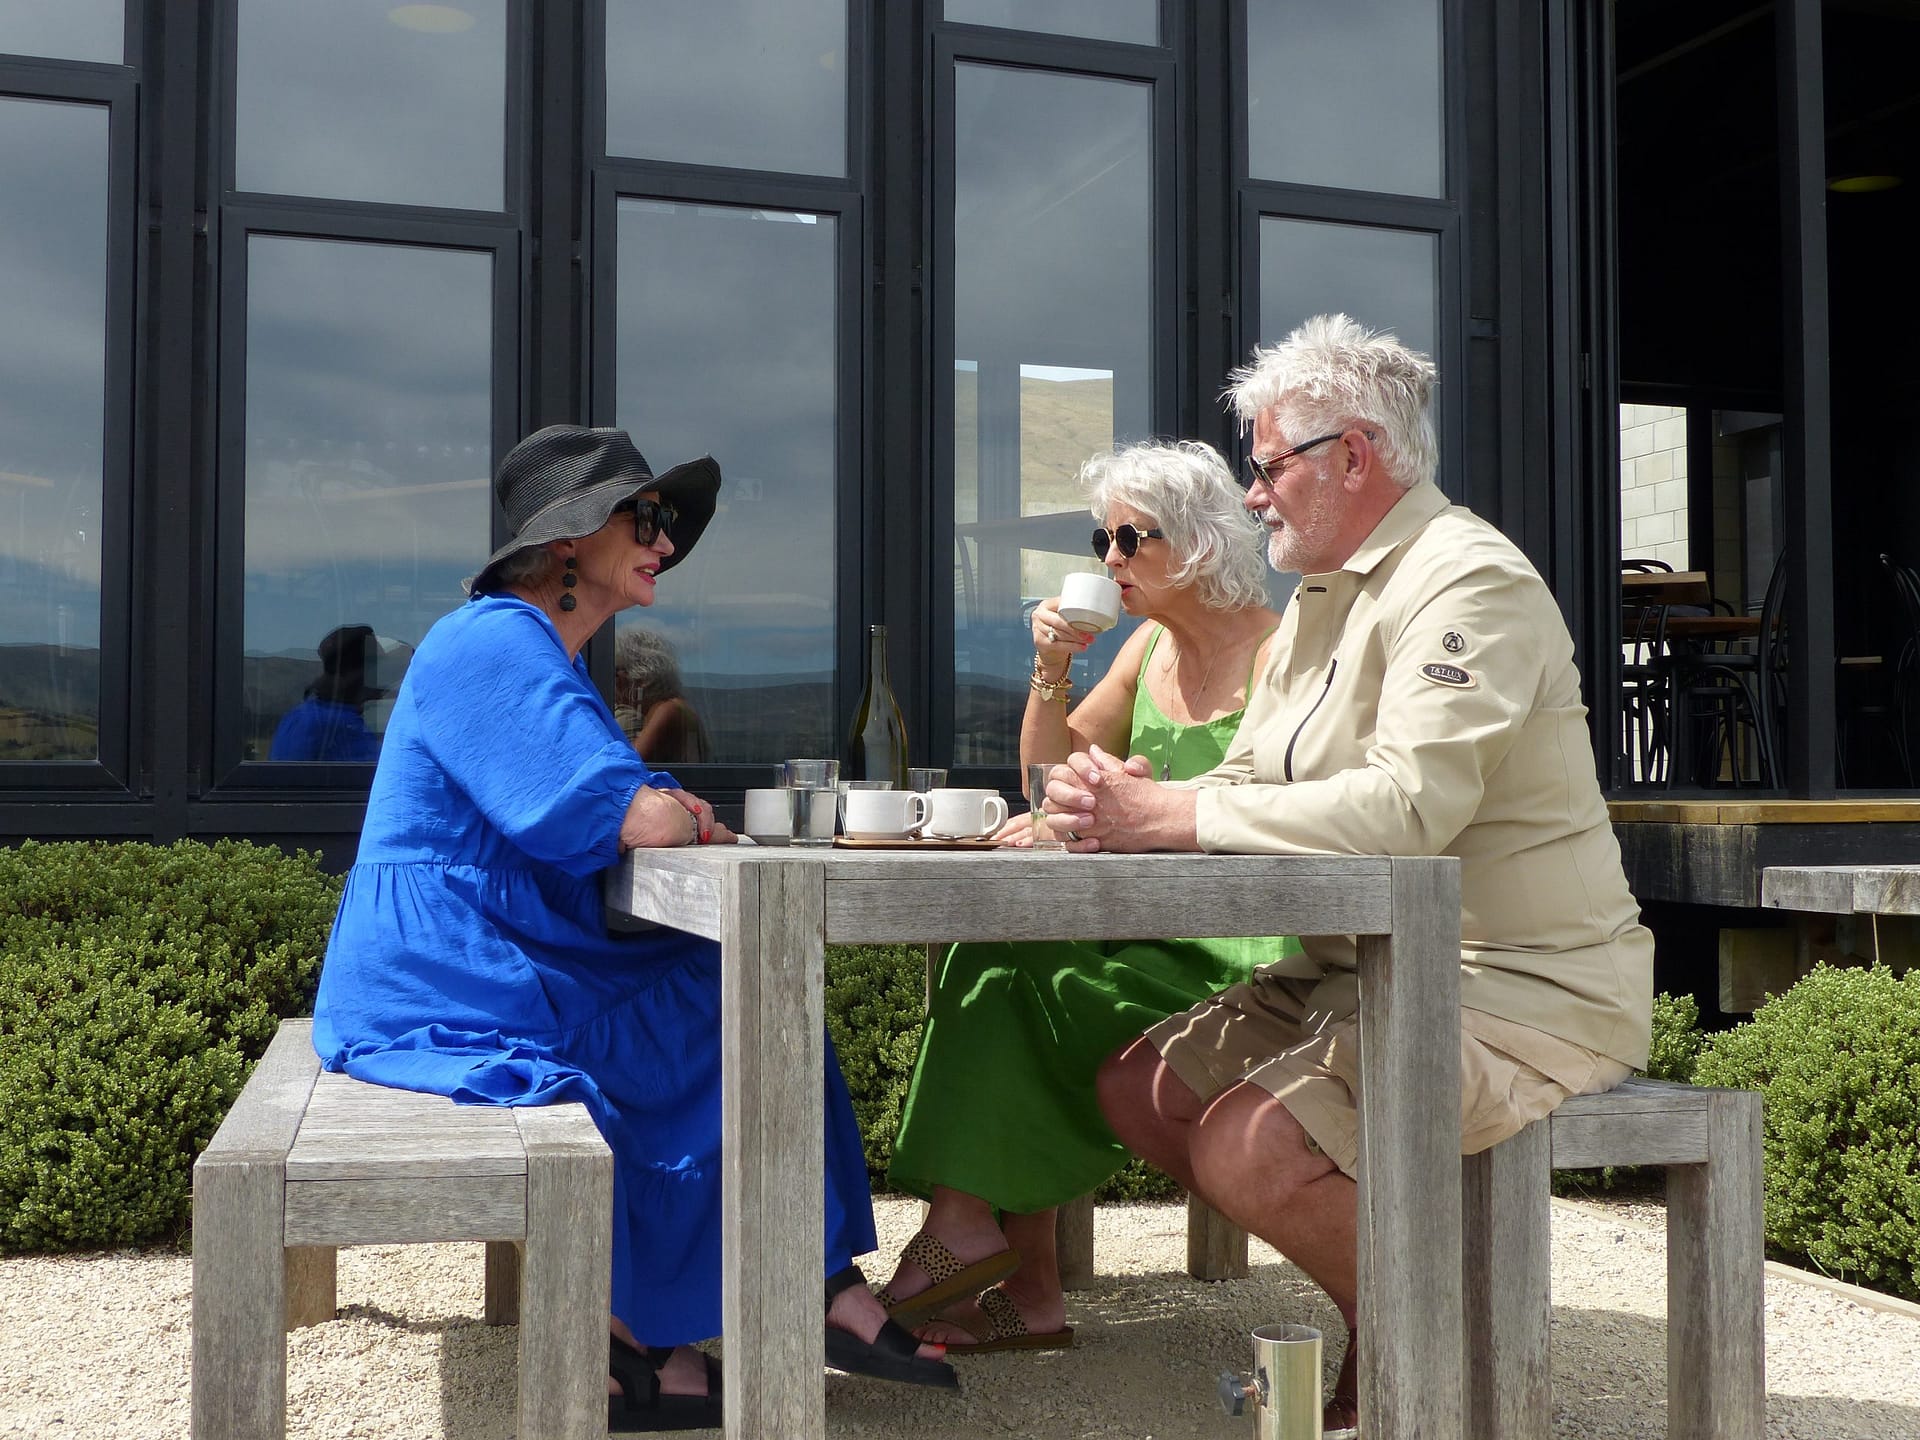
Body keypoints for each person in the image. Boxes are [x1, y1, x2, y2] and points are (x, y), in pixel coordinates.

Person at [1040, 316, 1654, 1433]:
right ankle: (1389, 1297)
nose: (1254, 495)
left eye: (1269, 466)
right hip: (1355, 968)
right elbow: (1245, 775)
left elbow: (1409, 808)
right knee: (1142, 1089)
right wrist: (1128, 801)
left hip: (1521, 985)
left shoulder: (1469, 581)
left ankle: (1430, 1337)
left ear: (1353, 456)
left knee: (1246, 1144)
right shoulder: (1321, 599)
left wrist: (1176, 814)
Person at [312, 425, 956, 1434]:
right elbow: (620, 812)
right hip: (448, 972)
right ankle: (732, 1302)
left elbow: (613, 798)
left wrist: (661, 806)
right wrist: (671, 811)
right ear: (569, 540)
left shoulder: (537, 650)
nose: (664, 541)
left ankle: (726, 1302)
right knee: (731, 997)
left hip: (498, 944)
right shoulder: (493, 640)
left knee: (732, 984)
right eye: (645, 519)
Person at [876, 439, 1305, 1354]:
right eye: (1100, 539)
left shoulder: (1284, 654)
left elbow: (1274, 811)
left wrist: (1108, 818)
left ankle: (980, 1244)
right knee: (997, 952)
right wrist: (1051, 669)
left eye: (1128, 538)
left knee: (1026, 979)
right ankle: (1011, 1271)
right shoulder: (1148, 648)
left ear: (1197, 542)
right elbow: (1048, 778)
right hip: (1140, 927)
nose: (1108, 558)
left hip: (1241, 950)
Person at [267, 624, 385, 762]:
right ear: (355, 675)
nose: (379, 687)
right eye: (375, 672)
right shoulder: (334, 725)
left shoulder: (300, 716)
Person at [613, 625, 711, 764]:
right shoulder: (675, 707)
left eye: (616, 672)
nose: (614, 681)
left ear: (643, 678)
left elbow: (630, 761)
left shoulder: (668, 709)